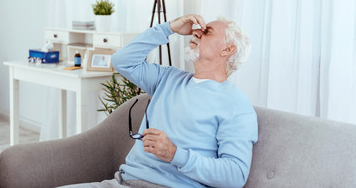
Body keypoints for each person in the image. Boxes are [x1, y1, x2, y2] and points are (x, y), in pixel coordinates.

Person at [61, 14, 258, 188]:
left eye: (207, 32)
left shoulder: (236, 104)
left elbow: (235, 174)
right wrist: (169, 28)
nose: (197, 32)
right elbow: (122, 60)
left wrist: (175, 154)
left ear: (227, 49)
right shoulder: (169, 78)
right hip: (124, 181)